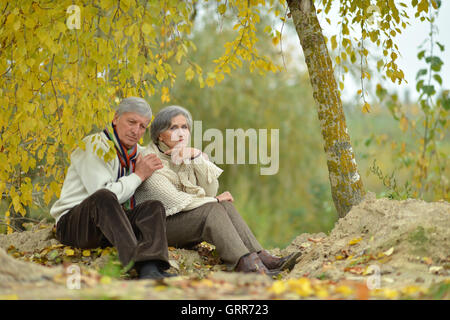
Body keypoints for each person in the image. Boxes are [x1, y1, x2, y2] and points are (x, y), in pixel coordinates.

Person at [134, 105, 300, 276]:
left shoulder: (184, 154)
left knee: (225, 206)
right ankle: (248, 266)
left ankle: (261, 257)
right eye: (173, 128)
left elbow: (210, 190)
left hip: (182, 222)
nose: (181, 133)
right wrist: (214, 201)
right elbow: (177, 201)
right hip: (158, 230)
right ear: (159, 134)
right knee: (213, 208)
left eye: (185, 127)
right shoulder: (150, 160)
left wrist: (197, 158)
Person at [50, 97, 175, 280]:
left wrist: (192, 157)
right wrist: (139, 175)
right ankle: (134, 264)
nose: (136, 131)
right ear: (116, 119)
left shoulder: (139, 153)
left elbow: (171, 178)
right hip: (75, 225)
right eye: (131, 122)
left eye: (142, 127)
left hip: (112, 226)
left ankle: (150, 268)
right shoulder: (94, 145)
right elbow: (107, 196)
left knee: (153, 207)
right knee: (104, 196)